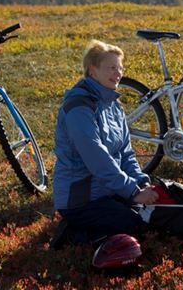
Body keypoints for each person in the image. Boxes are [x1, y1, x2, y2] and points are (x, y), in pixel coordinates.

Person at [51, 39, 159, 247]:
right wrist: (134, 192)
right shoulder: (79, 108)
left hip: (109, 191)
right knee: (136, 224)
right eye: (111, 68)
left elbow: (126, 153)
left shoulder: (113, 104)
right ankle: (72, 235)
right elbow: (97, 159)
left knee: (153, 215)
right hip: (81, 201)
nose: (117, 73)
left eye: (120, 67)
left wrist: (141, 182)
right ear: (93, 71)